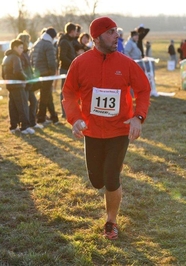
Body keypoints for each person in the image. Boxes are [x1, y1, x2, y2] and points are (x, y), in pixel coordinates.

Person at [62, 16, 151, 240]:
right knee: (97, 181)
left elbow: (143, 89)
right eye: (111, 32)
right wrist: (75, 118)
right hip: (91, 131)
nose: (117, 36)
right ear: (96, 37)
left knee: (111, 177)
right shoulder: (80, 63)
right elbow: (69, 93)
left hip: (119, 130)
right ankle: (109, 198)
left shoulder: (126, 63)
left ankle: (111, 222)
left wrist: (138, 117)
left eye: (116, 31)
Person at [2, 39, 35, 134]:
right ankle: (25, 127)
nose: (22, 50)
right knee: (23, 106)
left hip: (10, 85)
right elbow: (18, 71)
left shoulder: (5, 58)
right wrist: (27, 79)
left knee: (13, 106)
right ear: (15, 47)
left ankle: (13, 127)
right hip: (18, 85)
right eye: (20, 48)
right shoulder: (16, 57)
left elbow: (3, 74)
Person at [31, 27, 61, 126]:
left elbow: (32, 58)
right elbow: (51, 61)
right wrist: (53, 72)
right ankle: (41, 118)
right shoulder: (48, 45)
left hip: (38, 72)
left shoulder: (37, 43)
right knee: (45, 97)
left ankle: (53, 117)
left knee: (47, 96)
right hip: (47, 73)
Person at [17, 31, 43, 129]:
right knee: (28, 103)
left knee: (34, 102)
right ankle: (26, 123)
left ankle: (32, 122)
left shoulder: (26, 53)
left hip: (29, 82)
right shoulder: (21, 55)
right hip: (25, 83)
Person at [57, 22, 77, 119]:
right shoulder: (64, 41)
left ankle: (68, 111)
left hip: (69, 69)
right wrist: (73, 63)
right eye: (75, 31)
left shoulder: (69, 41)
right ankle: (64, 112)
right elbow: (62, 57)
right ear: (72, 31)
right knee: (64, 92)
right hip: (65, 69)